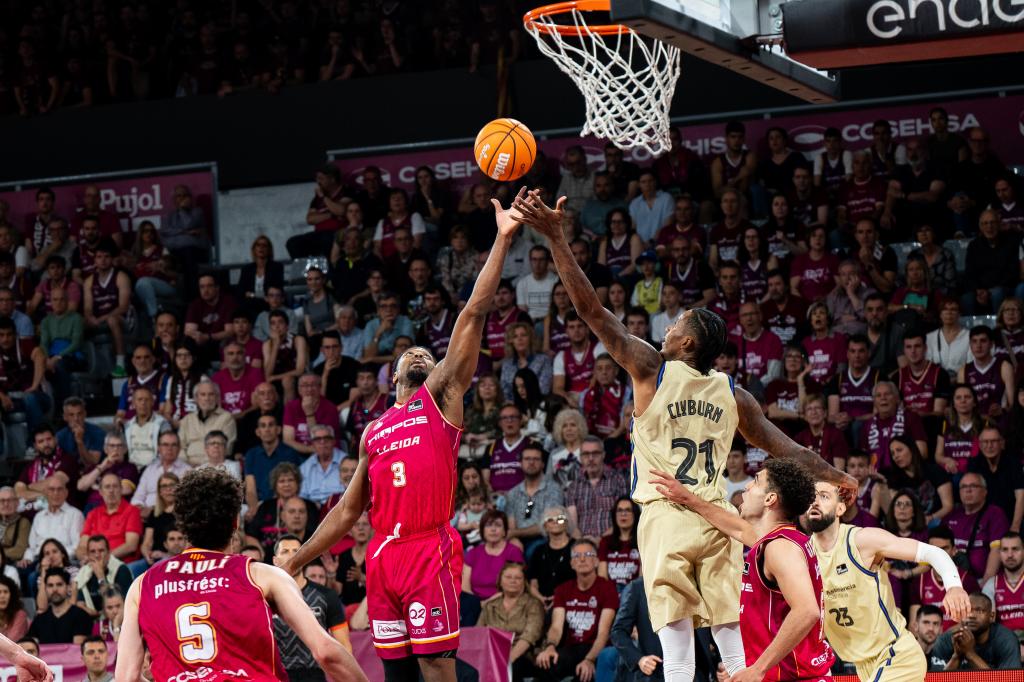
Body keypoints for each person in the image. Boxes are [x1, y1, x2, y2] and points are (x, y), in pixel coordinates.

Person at [511, 189, 853, 681]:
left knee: (676, 652)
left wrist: (558, 240)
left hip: (666, 514)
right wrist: (838, 475)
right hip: (716, 517)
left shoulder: (652, 367)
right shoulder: (734, 394)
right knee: (730, 642)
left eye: (675, 324)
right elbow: (788, 448)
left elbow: (590, 311)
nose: (667, 327)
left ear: (686, 342)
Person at [279, 190, 527, 682]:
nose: (417, 354)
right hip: (382, 557)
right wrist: (295, 561)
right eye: (408, 354)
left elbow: (473, 314)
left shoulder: (441, 399)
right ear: (391, 375)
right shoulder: (373, 429)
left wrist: (501, 240)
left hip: (426, 546)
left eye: (425, 354)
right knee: (396, 673)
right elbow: (349, 512)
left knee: (437, 666)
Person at [114, 469, 367, 682]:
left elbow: (126, 677)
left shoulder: (142, 585)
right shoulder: (261, 575)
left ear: (182, 524)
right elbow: (326, 652)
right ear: (236, 522)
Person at [650, 458, 833, 681]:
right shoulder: (779, 540)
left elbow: (807, 611)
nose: (746, 487)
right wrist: (688, 498)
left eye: (756, 481)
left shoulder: (780, 548)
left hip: (796, 677)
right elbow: (737, 528)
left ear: (770, 499)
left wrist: (759, 668)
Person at [533, 538, 619, 682]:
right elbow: (556, 627)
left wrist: (590, 660)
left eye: (588, 555)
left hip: (596, 648)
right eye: (577, 556)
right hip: (571, 648)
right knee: (544, 665)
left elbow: (604, 632)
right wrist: (550, 647)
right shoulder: (562, 589)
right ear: (572, 563)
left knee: (585, 675)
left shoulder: (607, 588)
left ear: (597, 562)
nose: (582, 559)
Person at [272, 534, 352, 681]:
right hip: (277, 675)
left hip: (314, 675)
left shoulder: (326, 595)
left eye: (296, 551)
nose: (291, 556)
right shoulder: (266, 598)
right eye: (285, 551)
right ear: (275, 561)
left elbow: (344, 645)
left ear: (305, 556)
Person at [477, 562, 545, 682]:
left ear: (524, 582)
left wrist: (507, 660)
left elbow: (529, 637)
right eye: (508, 577)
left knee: (514, 667)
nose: (513, 581)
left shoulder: (533, 604)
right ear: (500, 581)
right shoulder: (490, 606)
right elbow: (478, 635)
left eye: (518, 578)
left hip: (522, 655)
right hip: (492, 654)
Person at [930, 592, 1021, 670]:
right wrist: (956, 656)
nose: (971, 615)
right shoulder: (946, 639)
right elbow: (938, 679)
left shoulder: (1006, 639)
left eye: (979, 610)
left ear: (991, 616)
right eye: (967, 610)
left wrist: (970, 654)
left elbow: (1009, 679)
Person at [947, 473, 1011, 582]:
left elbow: (996, 550)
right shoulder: (951, 515)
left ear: (984, 492)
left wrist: (984, 584)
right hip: (953, 581)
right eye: (964, 487)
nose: (968, 490)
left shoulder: (995, 514)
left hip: (982, 580)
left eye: (973, 486)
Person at [83, 239, 132, 377]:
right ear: (95, 260)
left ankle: (120, 363)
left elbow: (123, 307)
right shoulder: (89, 281)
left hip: (122, 319)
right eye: (99, 257)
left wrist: (102, 318)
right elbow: (87, 307)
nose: (103, 260)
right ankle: (82, 362)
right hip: (99, 319)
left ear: (112, 259)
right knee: (77, 322)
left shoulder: (121, 277)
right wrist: (90, 317)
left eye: (106, 257)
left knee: (112, 320)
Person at [505, 443, 565, 555]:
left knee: (535, 550)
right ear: (521, 463)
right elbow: (511, 525)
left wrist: (515, 533)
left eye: (536, 459)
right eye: (527, 459)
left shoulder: (553, 489)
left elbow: (549, 525)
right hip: (517, 539)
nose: (531, 462)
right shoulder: (513, 493)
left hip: (545, 539)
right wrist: (514, 540)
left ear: (543, 464)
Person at [565, 437, 627, 540]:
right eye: (586, 454)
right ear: (580, 457)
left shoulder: (618, 480)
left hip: (611, 541)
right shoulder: (574, 486)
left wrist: (601, 540)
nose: (590, 458)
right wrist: (584, 543)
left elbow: (623, 517)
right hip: (581, 543)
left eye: (595, 453)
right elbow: (572, 524)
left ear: (603, 455)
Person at [967, 427, 1024, 532]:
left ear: (1002, 443)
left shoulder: (1013, 463)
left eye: (994, 441)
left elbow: (1021, 496)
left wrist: (1015, 526)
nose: (989, 446)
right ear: (979, 445)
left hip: (1010, 515)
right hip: (984, 518)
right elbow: (971, 496)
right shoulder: (974, 464)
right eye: (985, 442)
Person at [957, 326, 1015, 419]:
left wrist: (1002, 410)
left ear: (991, 344)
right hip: (974, 423)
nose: (978, 346)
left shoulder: (1004, 366)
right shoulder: (963, 370)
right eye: (974, 341)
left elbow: (1013, 405)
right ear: (970, 345)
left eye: (983, 341)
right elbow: (960, 404)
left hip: (1000, 423)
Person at [177, 380, 236, 466]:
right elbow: (179, 446)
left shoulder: (227, 418)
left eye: (211, 394)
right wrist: (186, 464)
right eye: (203, 394)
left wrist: (205, 465)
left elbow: (227, 448)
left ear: (217, 397)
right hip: (188, 466)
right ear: (196, 398)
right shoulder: (187, 420)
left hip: (215, 466)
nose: (207, 398)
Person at [28, 568, 93, 644]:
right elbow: (30, 649)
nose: (55, 589)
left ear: (68, 587)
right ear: (45, 589)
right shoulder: (39, 620)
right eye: (50, 585)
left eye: (59, 584)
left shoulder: (81, 616)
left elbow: (77, 651)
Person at [74, 535, 133, 617]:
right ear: (88, 555)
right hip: (91, 621)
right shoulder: (84, 572)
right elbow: (79, 603)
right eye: (92, 551)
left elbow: (121, 605)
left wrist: (101, 577)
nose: (97, 555)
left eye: (101, 551)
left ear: (109, 553)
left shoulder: (121, 570)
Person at [983, 531, 1024, 633]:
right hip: (1003, 644)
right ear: (999, 553)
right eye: (1005, 550)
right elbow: (988, 625)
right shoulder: (991, 585)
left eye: (1015, 549)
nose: (1010, 555)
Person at [598, 497, 641, 591]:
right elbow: (602, 577)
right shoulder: (605, 541)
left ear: (635, 514)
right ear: (614, 515)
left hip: (634, 594)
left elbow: (642, 579)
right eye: (619, 510)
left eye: (628, 510)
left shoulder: (642, 541)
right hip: (610, 594)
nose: (623, 514)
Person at [916, 605, 948, 671]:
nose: (931, 628)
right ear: (916, 626)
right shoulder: (905, 653)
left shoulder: (948, 655)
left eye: (935, 624)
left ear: (941, 629)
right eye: (926, 622)